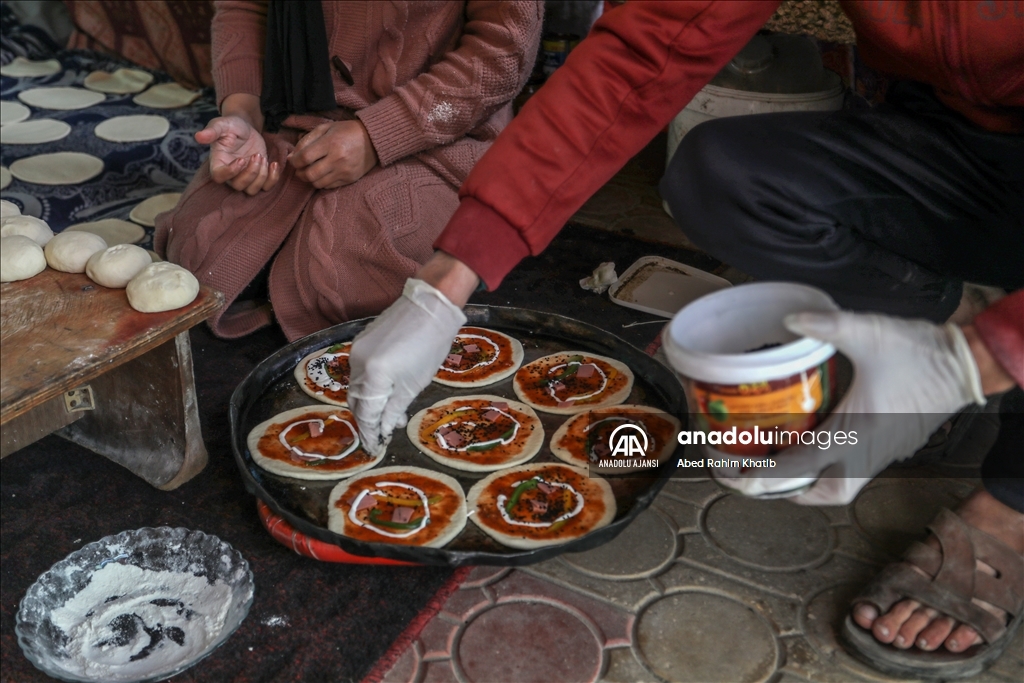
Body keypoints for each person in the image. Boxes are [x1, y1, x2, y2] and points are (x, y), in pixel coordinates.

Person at [345, 1, 1023, 679]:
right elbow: (650, 48)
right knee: (721, 175)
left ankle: (1010, 504)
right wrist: (443, 283)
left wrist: (972, 362)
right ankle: (931, 325)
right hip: (942, 130)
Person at [155, 0, 542, 340]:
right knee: (196, 250)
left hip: (436, 135)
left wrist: (375, 136)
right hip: (294, 122)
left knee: (345, 268)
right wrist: (243, 116)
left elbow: (502, 50)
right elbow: (245, 8)